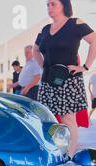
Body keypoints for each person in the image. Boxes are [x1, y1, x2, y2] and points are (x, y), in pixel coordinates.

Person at [34, 0, 95, 157]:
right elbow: (35, 50)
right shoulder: (46, 29)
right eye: (47, 4)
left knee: (68, 119)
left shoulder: (75, 23)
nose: (49, 7)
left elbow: (94, 41)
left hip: (68, 79)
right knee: (47, 118)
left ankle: (69, 155)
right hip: (48, 81)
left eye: (53, 4)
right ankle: (53, 151)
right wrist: (43, 67)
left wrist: (85, 66)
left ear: (64, 5)